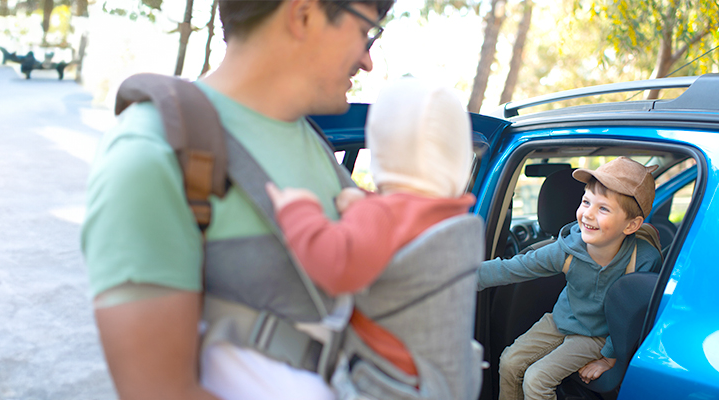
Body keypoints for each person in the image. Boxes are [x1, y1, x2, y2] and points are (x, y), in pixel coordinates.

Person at [80, 1, 393, 399]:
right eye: (366, 31)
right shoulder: (149, 154)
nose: (367, 61)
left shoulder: (309, 137)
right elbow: (160, 392)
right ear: (304, 15)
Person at [266, 77, 482, 399]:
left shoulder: (383, 218)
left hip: (391, 385)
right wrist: (367, 205)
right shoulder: (455, 217)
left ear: (384, 146)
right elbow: (406, 224)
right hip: (446, 378)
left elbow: (337, 267)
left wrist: (298, 211)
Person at [477, 156, 663, 400]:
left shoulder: (643, 258)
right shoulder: (567, 250)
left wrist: (609, 358)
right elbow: (515, 267)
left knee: (537, 379)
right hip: (562, 320)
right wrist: (461, 276)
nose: (588, 214)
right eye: (586, 202)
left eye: (603, 208)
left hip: (598, 335)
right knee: (510, 361)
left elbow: (637, 319)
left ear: (631, 225)